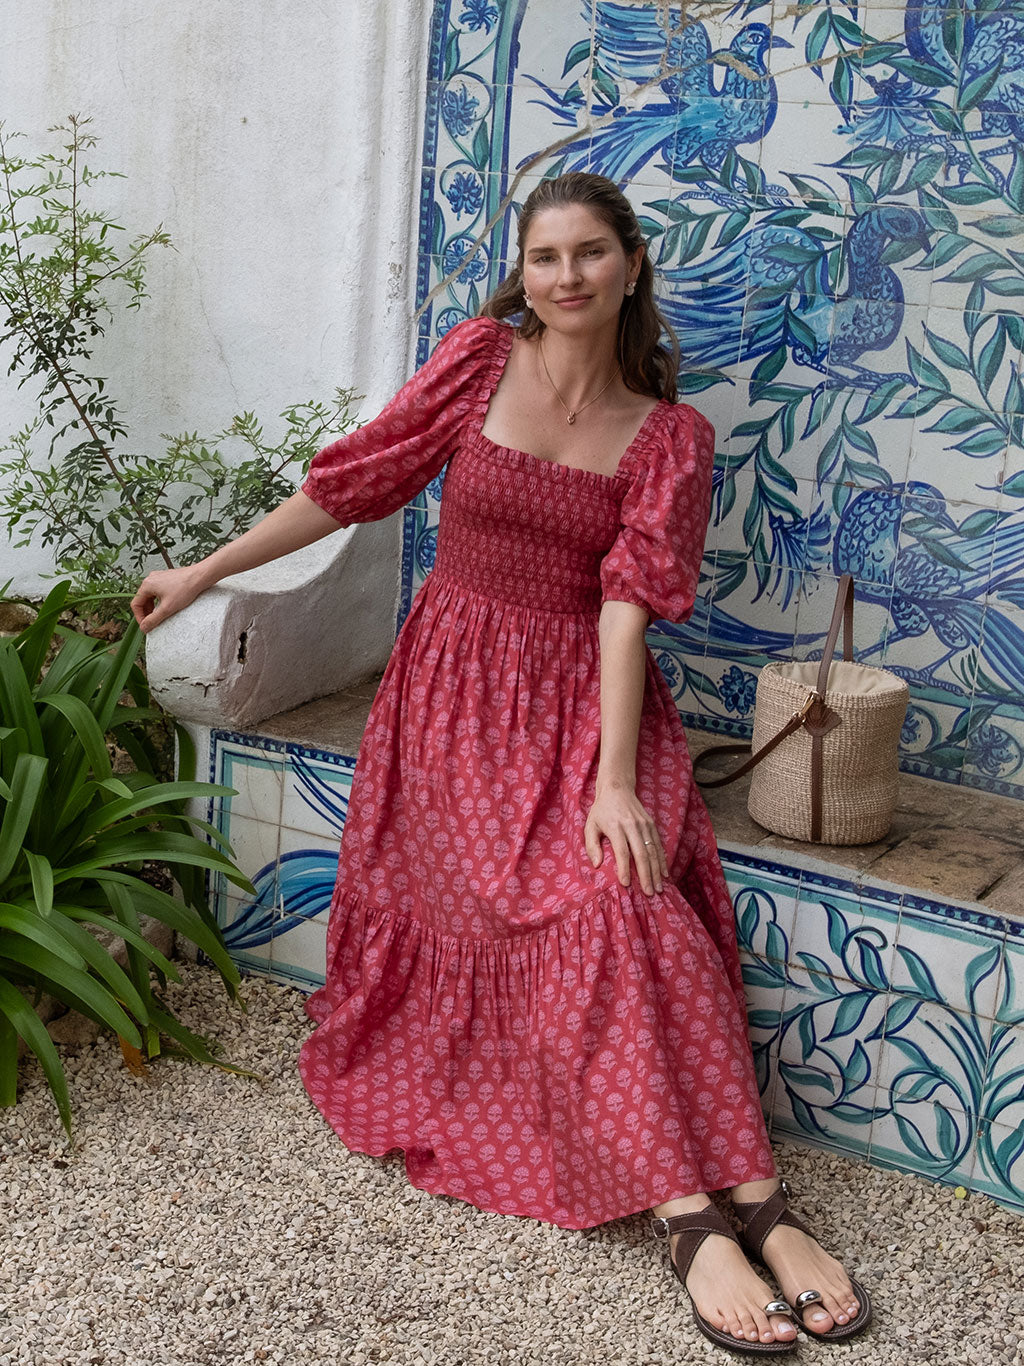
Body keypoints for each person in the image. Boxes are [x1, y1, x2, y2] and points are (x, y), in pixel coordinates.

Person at [132, 172, 870, 1354]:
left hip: (586, 703)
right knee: (596, 915)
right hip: (453, 704)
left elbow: (625, 611)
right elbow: (351, 483)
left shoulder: (671, 435)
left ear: (632, 262)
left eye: (589, 253)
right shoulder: (478, 362)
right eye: (543, 256)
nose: (565, 277)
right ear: (521, 269)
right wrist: (207, 572)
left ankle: (760, 1203)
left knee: (637, 901)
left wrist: (614, 777)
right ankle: (696, 1219)